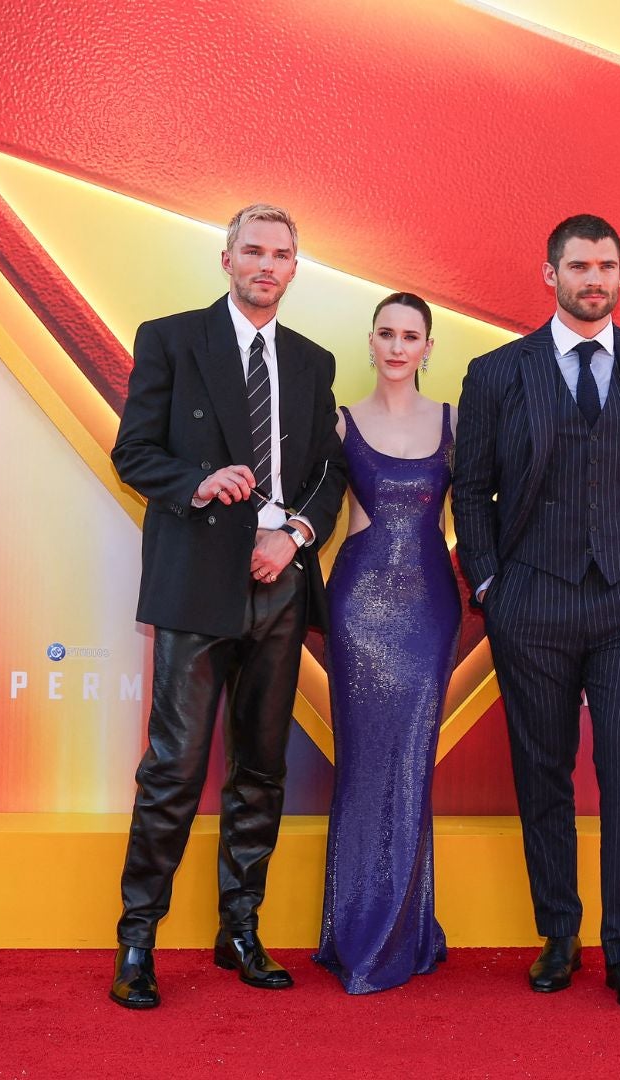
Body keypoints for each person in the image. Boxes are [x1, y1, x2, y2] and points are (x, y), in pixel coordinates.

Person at [106, 203, 348, 1009]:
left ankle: (240, 929)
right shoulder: (170, 339)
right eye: (253, 250)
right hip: (195, 580)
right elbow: (134, 451)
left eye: (281, 253)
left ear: (294, 267)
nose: (266, 265)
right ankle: (137, 939)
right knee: (173, 768)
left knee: (261, 769)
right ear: (226, 258)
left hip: (280, 581)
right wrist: (198, 483)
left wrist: (297, 535)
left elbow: (327, 473)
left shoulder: (314, 362)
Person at [452, 214, 620, 1014]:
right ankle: (559, 934)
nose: (595, 278)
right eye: (579, 265)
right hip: (533, 599)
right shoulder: (496, 374)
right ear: (549, 273)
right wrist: (489, 585)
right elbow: (471, 489)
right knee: (542, 774)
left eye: (608, 265)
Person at [312, 293, 460, 994]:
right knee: (366, 767)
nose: (398, 347)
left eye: (411, 336)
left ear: (428, 347)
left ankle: (406, 930)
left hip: (430, 611)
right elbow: (305, 505)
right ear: (368, 342)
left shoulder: (456, 424)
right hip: (358, 612)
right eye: (387, 334)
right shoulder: (339, 424)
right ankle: (357, 933)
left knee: (410, 768)